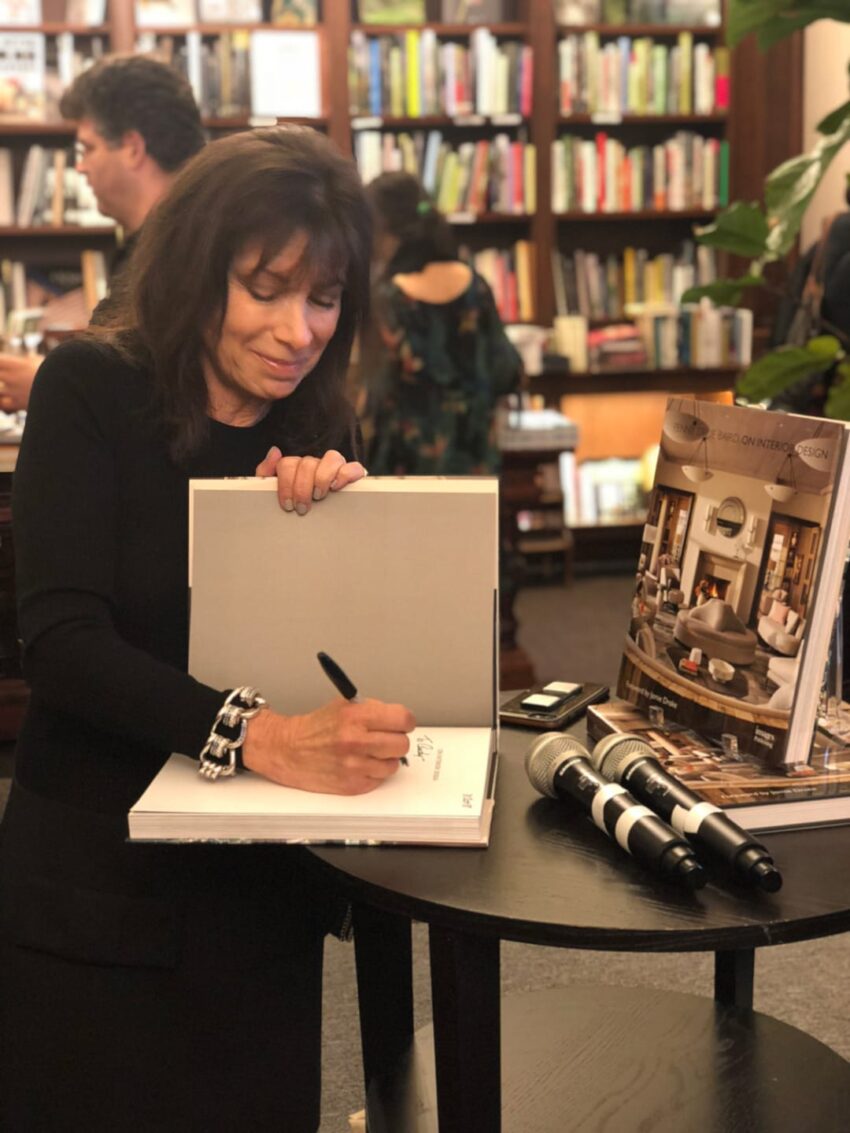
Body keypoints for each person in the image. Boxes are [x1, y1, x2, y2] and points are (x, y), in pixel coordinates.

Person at [0, 126, 415, 1132]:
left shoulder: (319, 415)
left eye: (324, 297)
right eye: (264, 288)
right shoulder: (90, 385)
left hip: (258, 876)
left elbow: (343, 662)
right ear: (195, 268)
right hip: (101, 874)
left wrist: (328, 543)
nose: (299, 328)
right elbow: (59, 643)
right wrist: (263, 735)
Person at [0, 55, 205, 411]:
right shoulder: (166, 242)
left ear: (132, 148)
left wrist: (48, 381)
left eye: (88, 148)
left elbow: (176, 396)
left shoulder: (185, 253)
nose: (79, 166)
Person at [361, 171, 522, 475]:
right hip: (475, 469)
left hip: (405, 473)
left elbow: (374, 394)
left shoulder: (386, 298)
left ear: (385, 232)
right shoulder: (476, 285)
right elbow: (508, 371)